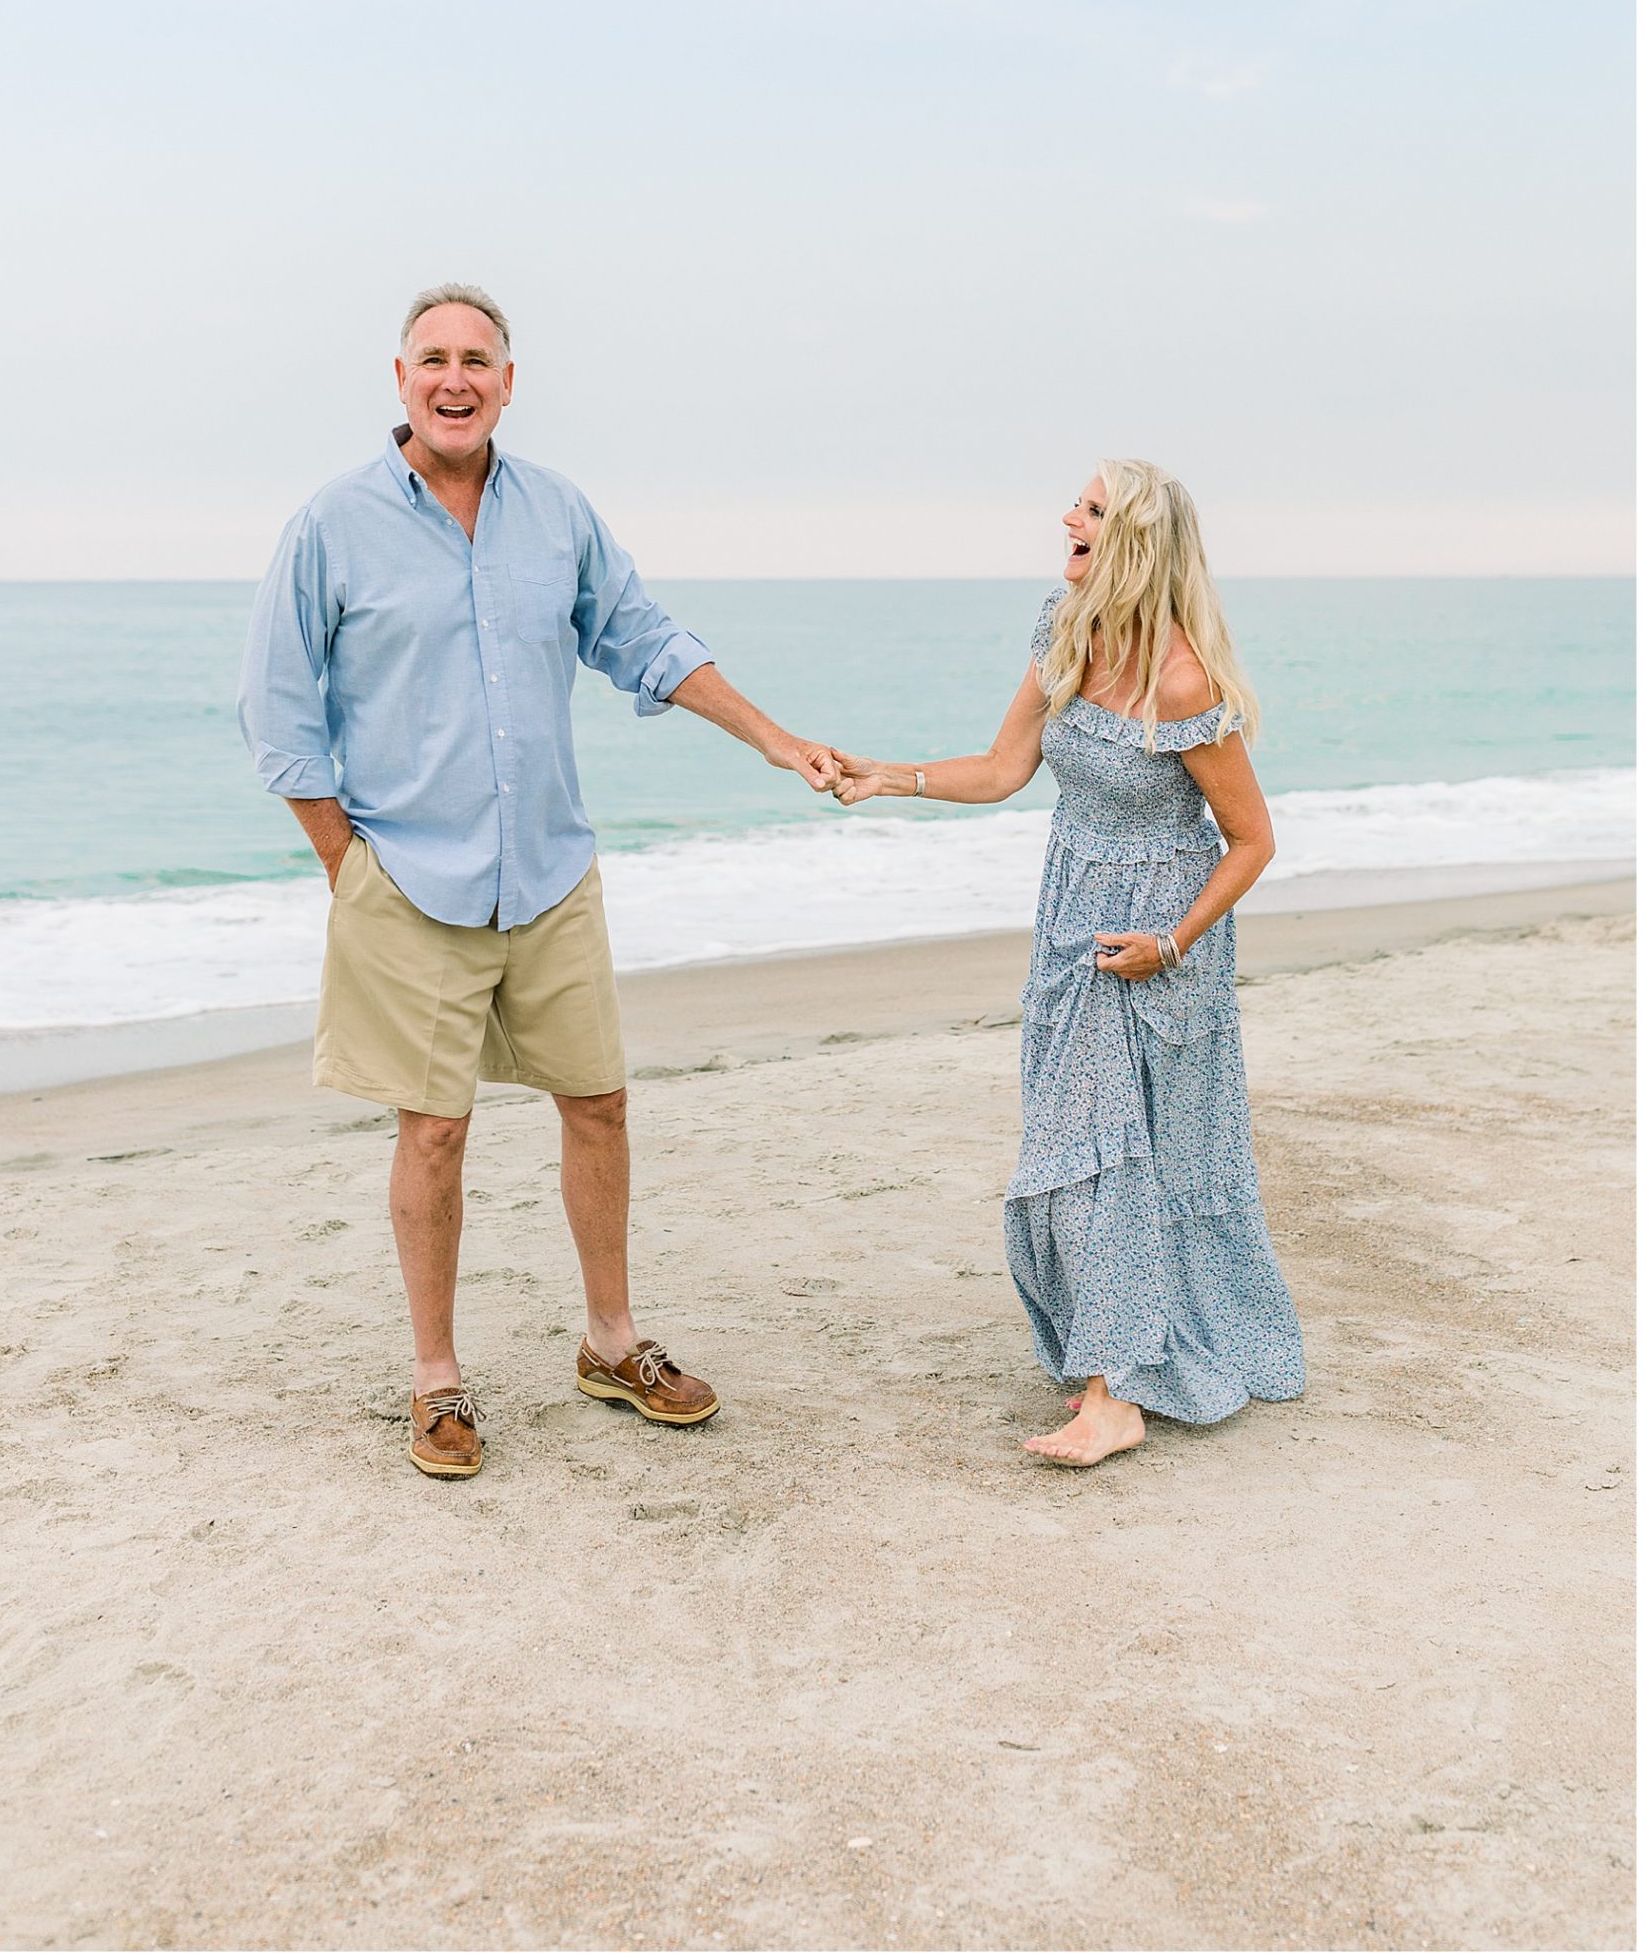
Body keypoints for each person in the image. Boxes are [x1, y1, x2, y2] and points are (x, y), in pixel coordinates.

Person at [239, 284, 839, 1479]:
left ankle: (611, 1343)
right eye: (432, 360)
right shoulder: (332, 523)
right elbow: (277, 706)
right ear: (398, 378)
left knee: (600, 1103)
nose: (454, 379)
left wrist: (773, 739)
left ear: (510, 381)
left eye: (477, 360)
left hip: (551, 871)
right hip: (408, 877)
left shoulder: (556, 512)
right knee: (434, 1131)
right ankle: (436, 1380)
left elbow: (646, 640)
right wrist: (344, 862)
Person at [831, 459, 1304, 1466]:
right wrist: (890, 776)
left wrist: (1171, 942)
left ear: (1133, 537)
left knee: (1111, 1156)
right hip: (1069, 925)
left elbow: (1252, 838)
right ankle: (1123, 1354)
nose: (1067, 517)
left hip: (1155, 942)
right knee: (1073, 1139)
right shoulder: (1065, 627)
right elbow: (1005, 768)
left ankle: (1111, 1396)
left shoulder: (1183, 677)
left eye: (1090, 508)